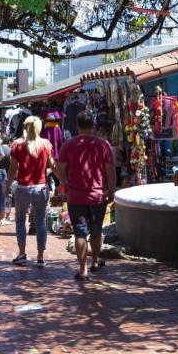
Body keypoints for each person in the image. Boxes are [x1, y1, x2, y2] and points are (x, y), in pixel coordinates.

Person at [56, 111, 115, 282]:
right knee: (97, 230)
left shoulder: (68, 145)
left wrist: (65, 184)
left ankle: (83, 270)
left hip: (76, 195)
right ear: (93, 125)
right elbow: (110, 171)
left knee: (80, 233)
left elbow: (61, 168)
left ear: (78, 125)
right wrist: (111, 189)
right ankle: (95, 262)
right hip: (97, 195)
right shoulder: (103, 145)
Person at [7, 115, 54, 267]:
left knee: (20, 220)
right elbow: (53, 165)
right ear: (39, 128)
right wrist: (64, 181)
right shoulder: (46, 145)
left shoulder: (17, 145)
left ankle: (22, 254)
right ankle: (40, 257)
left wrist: (7, 186)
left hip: (23, 188)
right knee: (40, 222)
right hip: (41, 188)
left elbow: (13, 169)